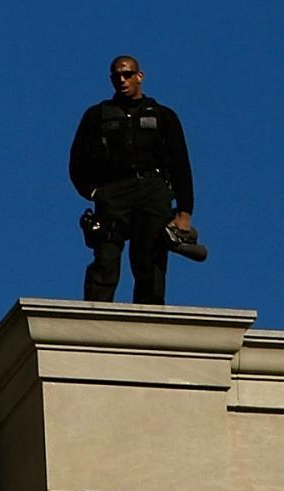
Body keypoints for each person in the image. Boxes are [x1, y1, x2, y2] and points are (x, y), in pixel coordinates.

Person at [68, 54, 195, 305]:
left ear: (140, 76)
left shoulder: (163, 116)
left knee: (149, 260)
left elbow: (181, 164)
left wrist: (184, 212)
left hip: (152, 191)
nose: (122, 80)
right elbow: (77, 161)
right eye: (117, 76)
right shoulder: (98, 115)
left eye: (127, 75)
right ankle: (94, 319)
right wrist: (94, 193)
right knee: (105, 258)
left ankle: (149, 322)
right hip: (112, 193)